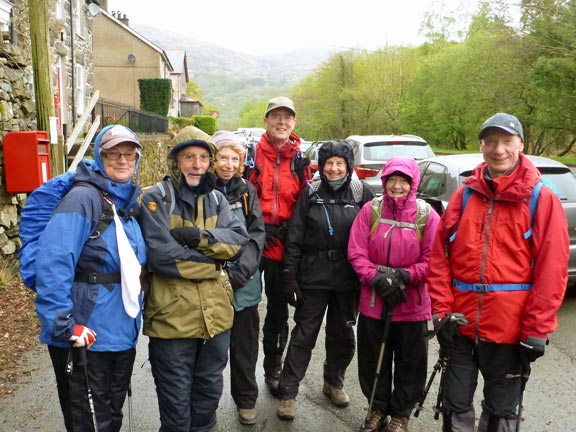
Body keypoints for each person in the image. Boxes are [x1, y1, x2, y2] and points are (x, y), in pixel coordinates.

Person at [427, 113, 569, 432]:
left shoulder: (540, 198)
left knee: (501, 413)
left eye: (506, 141)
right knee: (454, 407)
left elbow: (553, 269)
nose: (499, 149)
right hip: (460, 327)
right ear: (482, 146)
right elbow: (439, 260)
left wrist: (537, 328)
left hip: (510, 330)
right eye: (490, 141)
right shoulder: (464, 196)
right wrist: (441, 312)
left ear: (520, 144)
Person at [35, 124, 147, 432]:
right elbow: (54, 263)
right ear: (99, 155)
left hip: (122, 331)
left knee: (111, 413)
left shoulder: (125, 203)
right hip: (86, 333)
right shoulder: (83, 199)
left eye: (129, 153)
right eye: (113, 153)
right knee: (89, 420)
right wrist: (65, 325)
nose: (123, 160)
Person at [139, 126, 250, 432]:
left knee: (207, 396)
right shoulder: (155, 199)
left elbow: (238, 242)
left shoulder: (216, 199)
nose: (197, 164)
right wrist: (214, 263)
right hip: (172, 319)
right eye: (189, 157)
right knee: (175, 405)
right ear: (176, 161)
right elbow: (161, 257)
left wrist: (199, 238)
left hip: (215, 318)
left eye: (203, 157)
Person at [275, 140, 374, 421]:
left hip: (348, 278)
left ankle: (334, 382)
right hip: (313, 275)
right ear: (322, 165)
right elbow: (294, 236)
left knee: (343, 335)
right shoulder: (310, 192)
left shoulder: (361, 194)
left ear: (348, 166)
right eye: (328, 163)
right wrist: (289, 275)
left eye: (339, 163)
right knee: (304, 335)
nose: (333, 168)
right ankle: (288, 392)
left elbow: (372, 237)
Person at [348, 157, 441, 432]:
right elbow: (356, 251)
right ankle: (376, 408)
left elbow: (434, 259)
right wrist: (376, 278)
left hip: (411, 302)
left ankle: (401, 414)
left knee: (410, 361)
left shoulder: (426, 215)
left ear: (413, 184)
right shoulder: (370, 211)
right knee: (372, 358)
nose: (397, 186)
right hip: (374, 300)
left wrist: (405, 276)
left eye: (403, 181)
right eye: (392, 180)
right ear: (384, 180)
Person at [247, 96, 311, 395]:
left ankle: (273, 368)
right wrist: (254, 227)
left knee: (277, 309)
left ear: (294, 123)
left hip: (282, 242)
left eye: (287, 117)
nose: (282, 122)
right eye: (276, 117)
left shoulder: (300, 161)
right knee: (243, 308)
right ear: (266, 120)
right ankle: (243, 373)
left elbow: (307, 203)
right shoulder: (251, 154)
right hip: (252, 239)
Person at [212, 130, 266, 425]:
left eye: (236, 158)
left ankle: (246, 400)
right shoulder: (202, 190)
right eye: (223, 157)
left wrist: (241, 271)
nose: (229, 163)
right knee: (212, 352)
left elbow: (256, 235)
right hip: (210, 283)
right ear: (213, 158)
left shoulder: (247, 191)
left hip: (243, 285)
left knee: (244, 348)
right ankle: (207, 405)